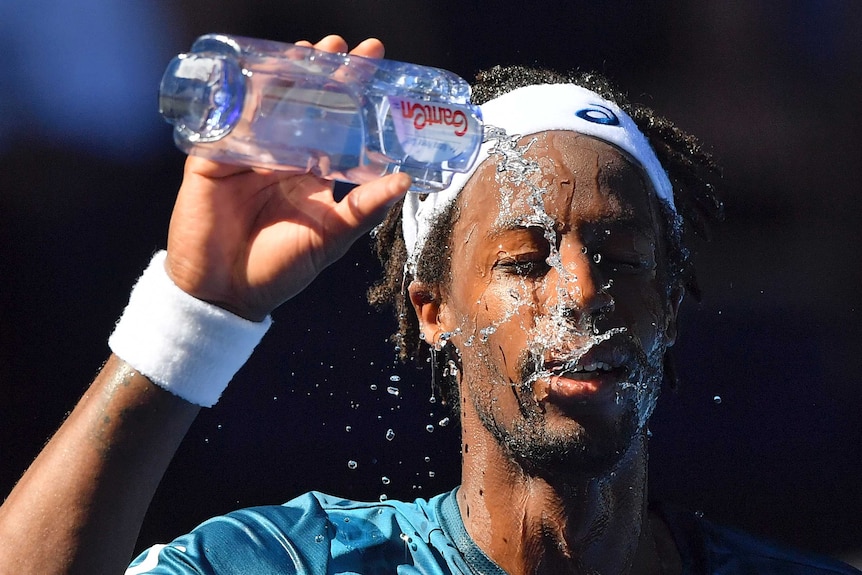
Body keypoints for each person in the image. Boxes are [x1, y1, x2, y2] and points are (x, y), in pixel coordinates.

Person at [0, 35, 856, 575]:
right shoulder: (296, 563)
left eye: (621, 259)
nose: (582, 292)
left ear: (670, 306)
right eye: (523, 261)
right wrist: (192, 311)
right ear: (432, 309)